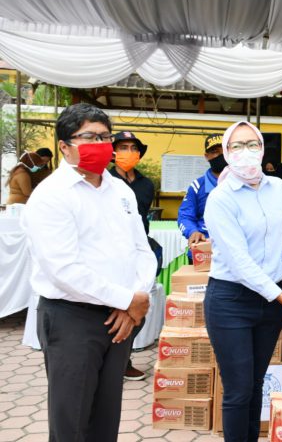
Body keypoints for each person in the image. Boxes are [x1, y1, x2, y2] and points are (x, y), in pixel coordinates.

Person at [21, 103, 156, 442]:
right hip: (72, 318)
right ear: (64, 145)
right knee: (73, 421)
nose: (101, 144)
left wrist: (135, 300)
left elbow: (142, 250)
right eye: (89, 137)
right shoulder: (51, 196)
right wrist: (128, 299)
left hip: (120, 317)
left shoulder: (120, 191)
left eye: (105, 137)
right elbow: (63, 269)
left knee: (105, 418)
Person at [203, 121, 282, 442]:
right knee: (238, 389)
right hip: (232, 300)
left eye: (251, 144)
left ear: (262, 148)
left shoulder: (276, 188)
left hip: (271, 301)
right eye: (236, 146)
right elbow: (239, 260)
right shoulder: (220, 198)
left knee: (256, 383)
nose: (245, 152)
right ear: (226, 153)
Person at [109, 131, 156, 381]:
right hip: (112, 253)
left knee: (139, 308)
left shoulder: (146, 184)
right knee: (112, 308)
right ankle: (112, 360)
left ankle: (122, 356)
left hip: (139, 251)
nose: (128, 151)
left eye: (133, 147)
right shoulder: (104, 181)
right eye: (123, 146)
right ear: (113, 152)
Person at [178, 133, 225, 258]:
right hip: (204, 251)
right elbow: (185, 216)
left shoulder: (243, 184)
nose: (221, 155)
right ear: (206, 156)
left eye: (224, 150)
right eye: (215, 152)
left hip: (236, 252)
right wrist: (193, 232)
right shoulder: (197, 186)